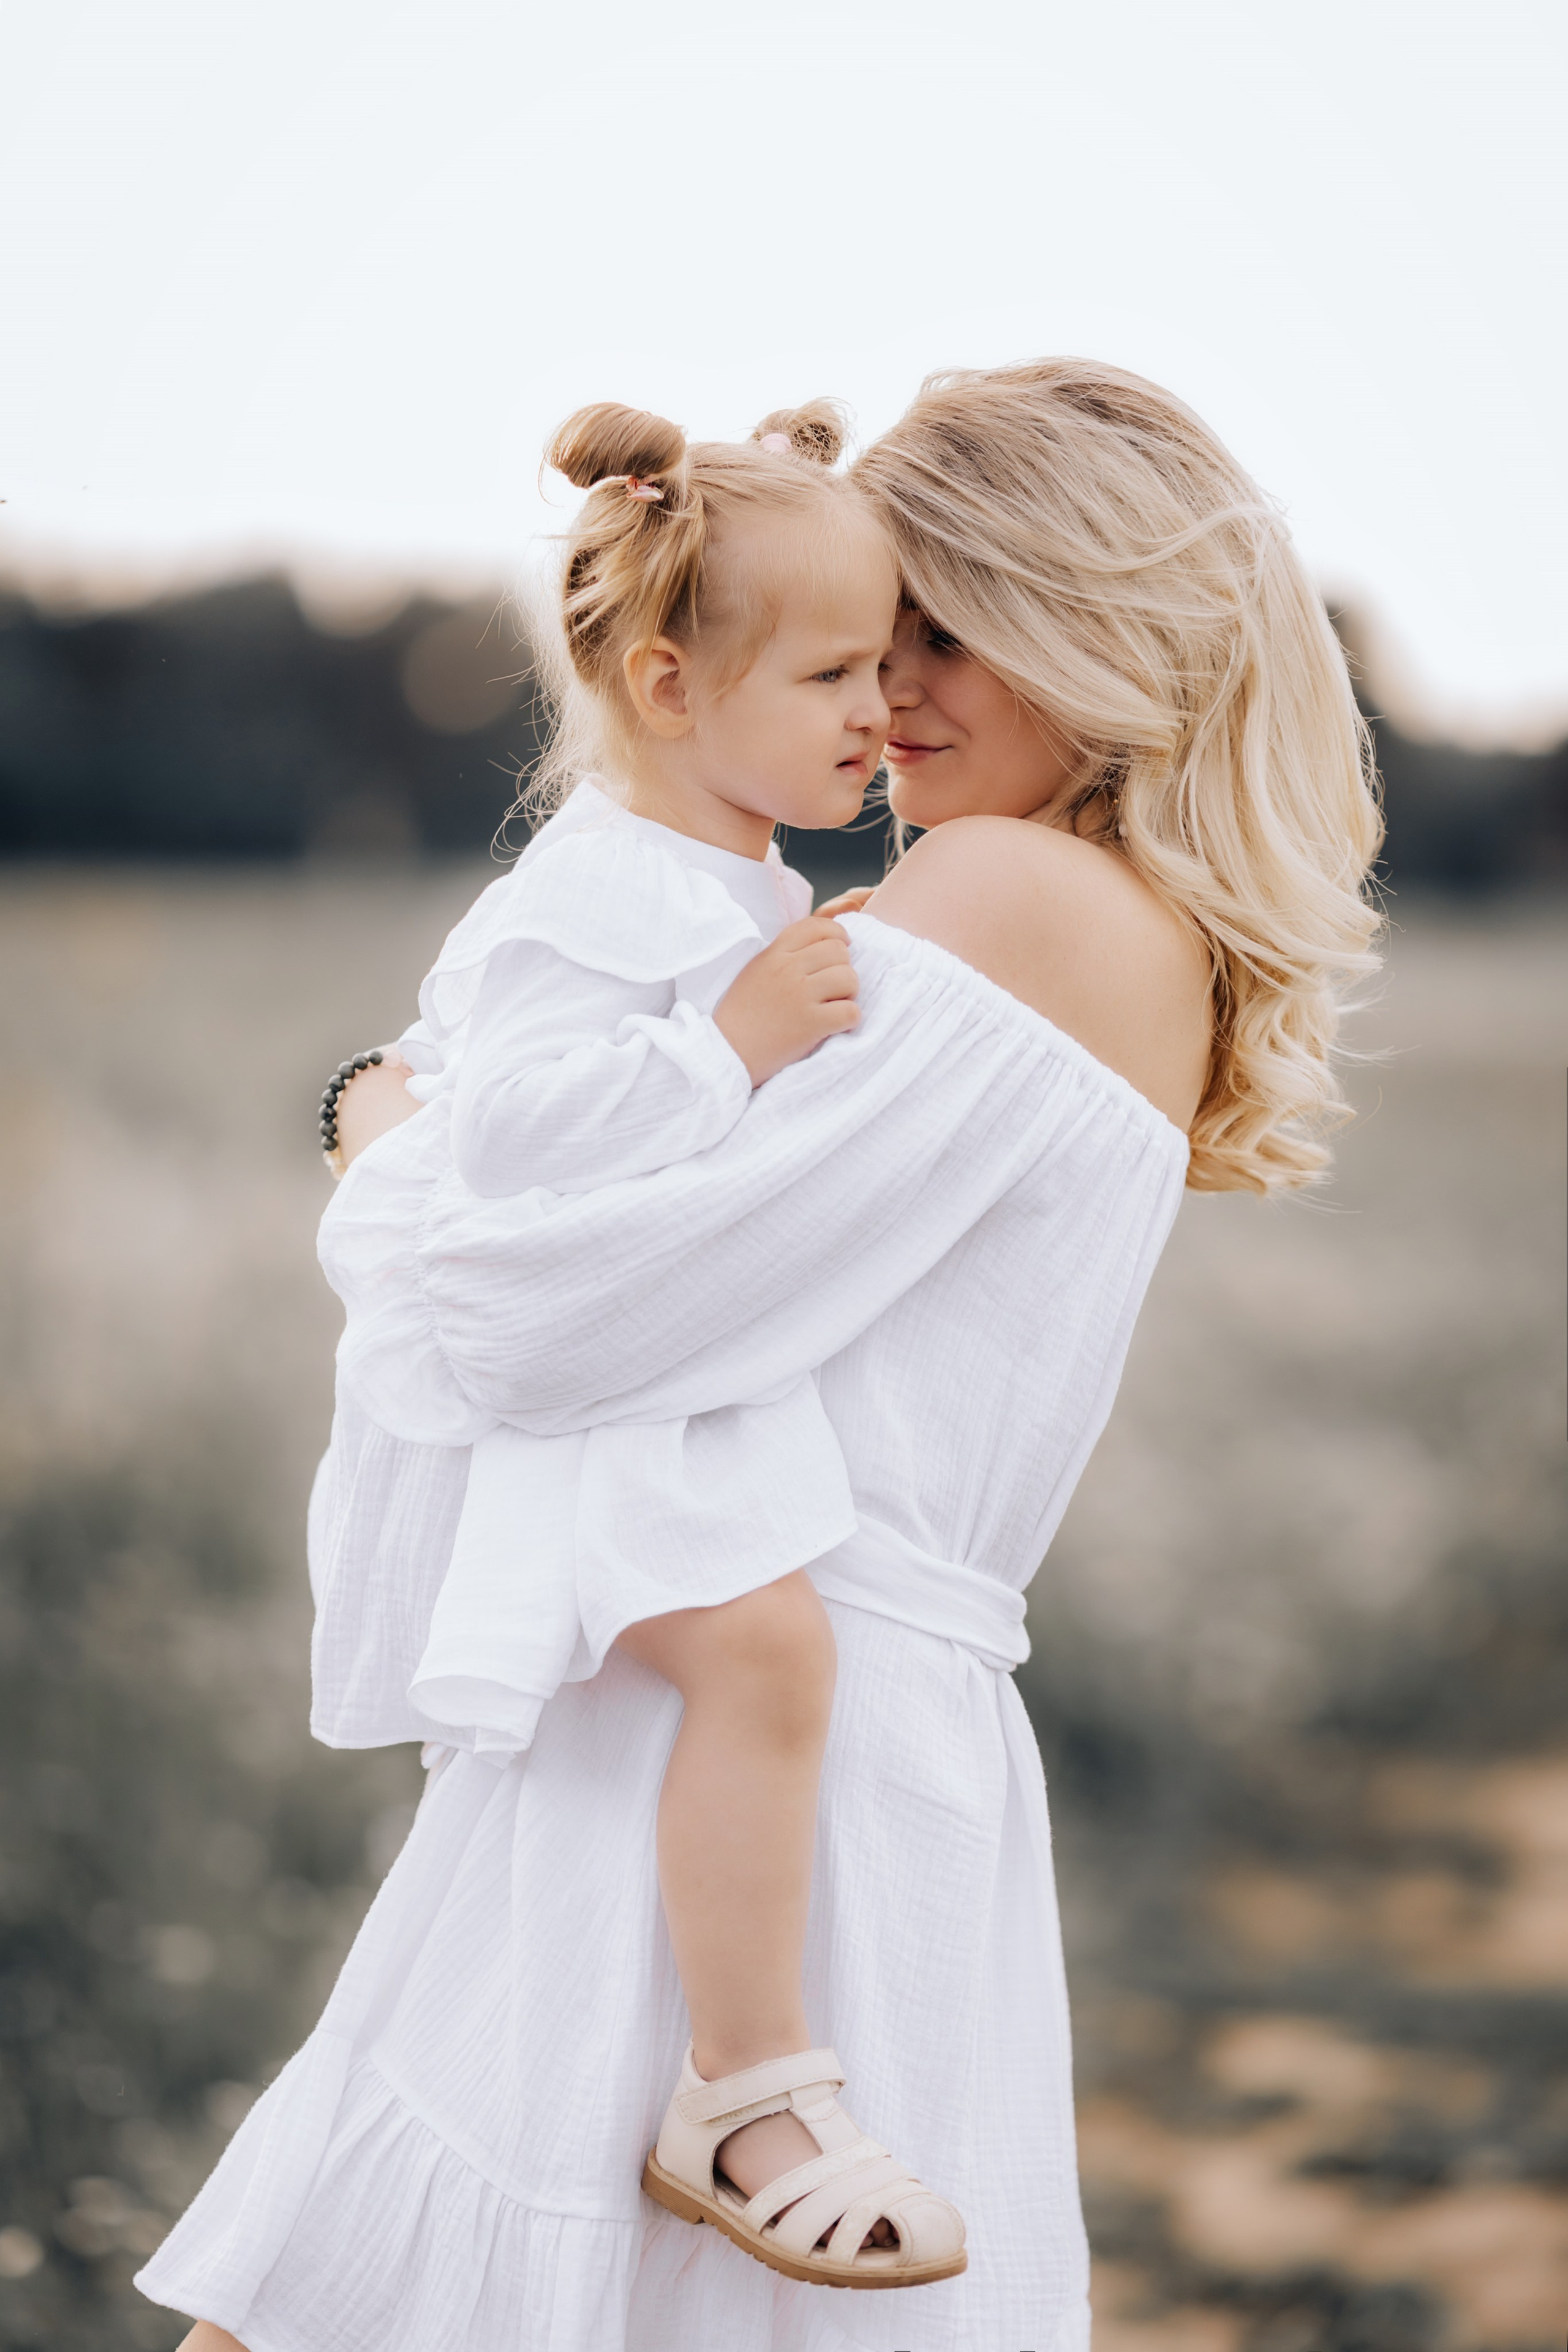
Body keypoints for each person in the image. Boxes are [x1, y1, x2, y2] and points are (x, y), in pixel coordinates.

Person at [140, 358, 1381, 2351]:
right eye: (875, 643)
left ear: (1104, 620)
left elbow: (536, 1323)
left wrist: (378, 1147)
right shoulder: (1112, 923)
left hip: (743, 1739)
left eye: (944, 636)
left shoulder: (1008, 901)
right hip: (814, 1737)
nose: (888, 699)